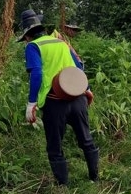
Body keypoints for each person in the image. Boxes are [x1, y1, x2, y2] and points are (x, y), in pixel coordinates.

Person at [17, 10, 99, 185]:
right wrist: (87, 88)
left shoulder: (33, 47)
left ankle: (63, 185)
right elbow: (78, 66)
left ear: (27, 36)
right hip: (77, 98)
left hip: (55, 102)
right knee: (85, 139)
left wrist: (31, 102)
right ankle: (95, 177)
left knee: (55, 145)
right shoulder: (61, 43)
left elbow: (37, 74)